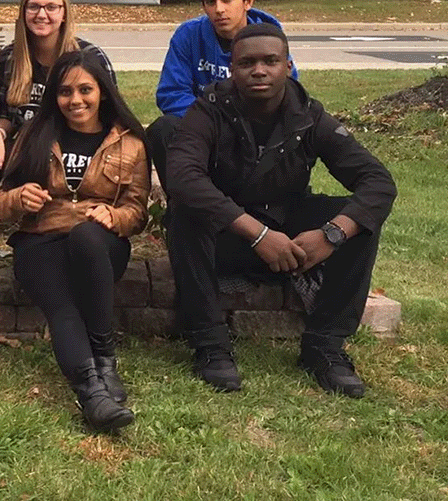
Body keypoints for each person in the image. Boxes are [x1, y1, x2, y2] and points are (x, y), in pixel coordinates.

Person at [164, 23, 396, 397]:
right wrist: (256, 233)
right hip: (227, 236)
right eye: (247, 63)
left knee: (359, 220)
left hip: (292, 234)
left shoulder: (310, 116)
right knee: (185, 214)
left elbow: (377, 182)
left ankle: (325, 347)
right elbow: (182, 176)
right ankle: (211, 345)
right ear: (232, 69)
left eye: (270, 61)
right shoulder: (208, 110)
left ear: (287, 66)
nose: (259, 70)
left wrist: (331, 233)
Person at [0, 50, 146, 434]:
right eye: (64, 92)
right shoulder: (34, 134)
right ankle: (93, 391)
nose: (75, 100)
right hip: (40, 240)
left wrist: (116, 216)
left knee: (87, 236)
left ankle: (105, 358)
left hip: (100, 244)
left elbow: (138, 211)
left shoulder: (130, 143)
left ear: (104, 93)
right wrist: (19, 198)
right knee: (61, 307)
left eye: (85, 90)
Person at [146, 0, 293, 181]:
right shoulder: (188, 35)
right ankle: (181, 206)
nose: (219, 9)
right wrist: (215, 125)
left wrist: (241, 128)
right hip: (204, 128)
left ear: (248, 1)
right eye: (210, 1)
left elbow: (288, 93)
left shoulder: (269, 38)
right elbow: (171, 94)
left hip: (256, 132)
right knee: (164, 128)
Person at [0, 0, 116, 179]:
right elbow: (5, 114)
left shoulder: (90, 58)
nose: (41, 14)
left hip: (79, 144)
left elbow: (112, 115)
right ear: (23, 12)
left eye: (51, 7)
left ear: (64, 13)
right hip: (28, 144)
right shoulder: (9, 58)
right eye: (33, 6)